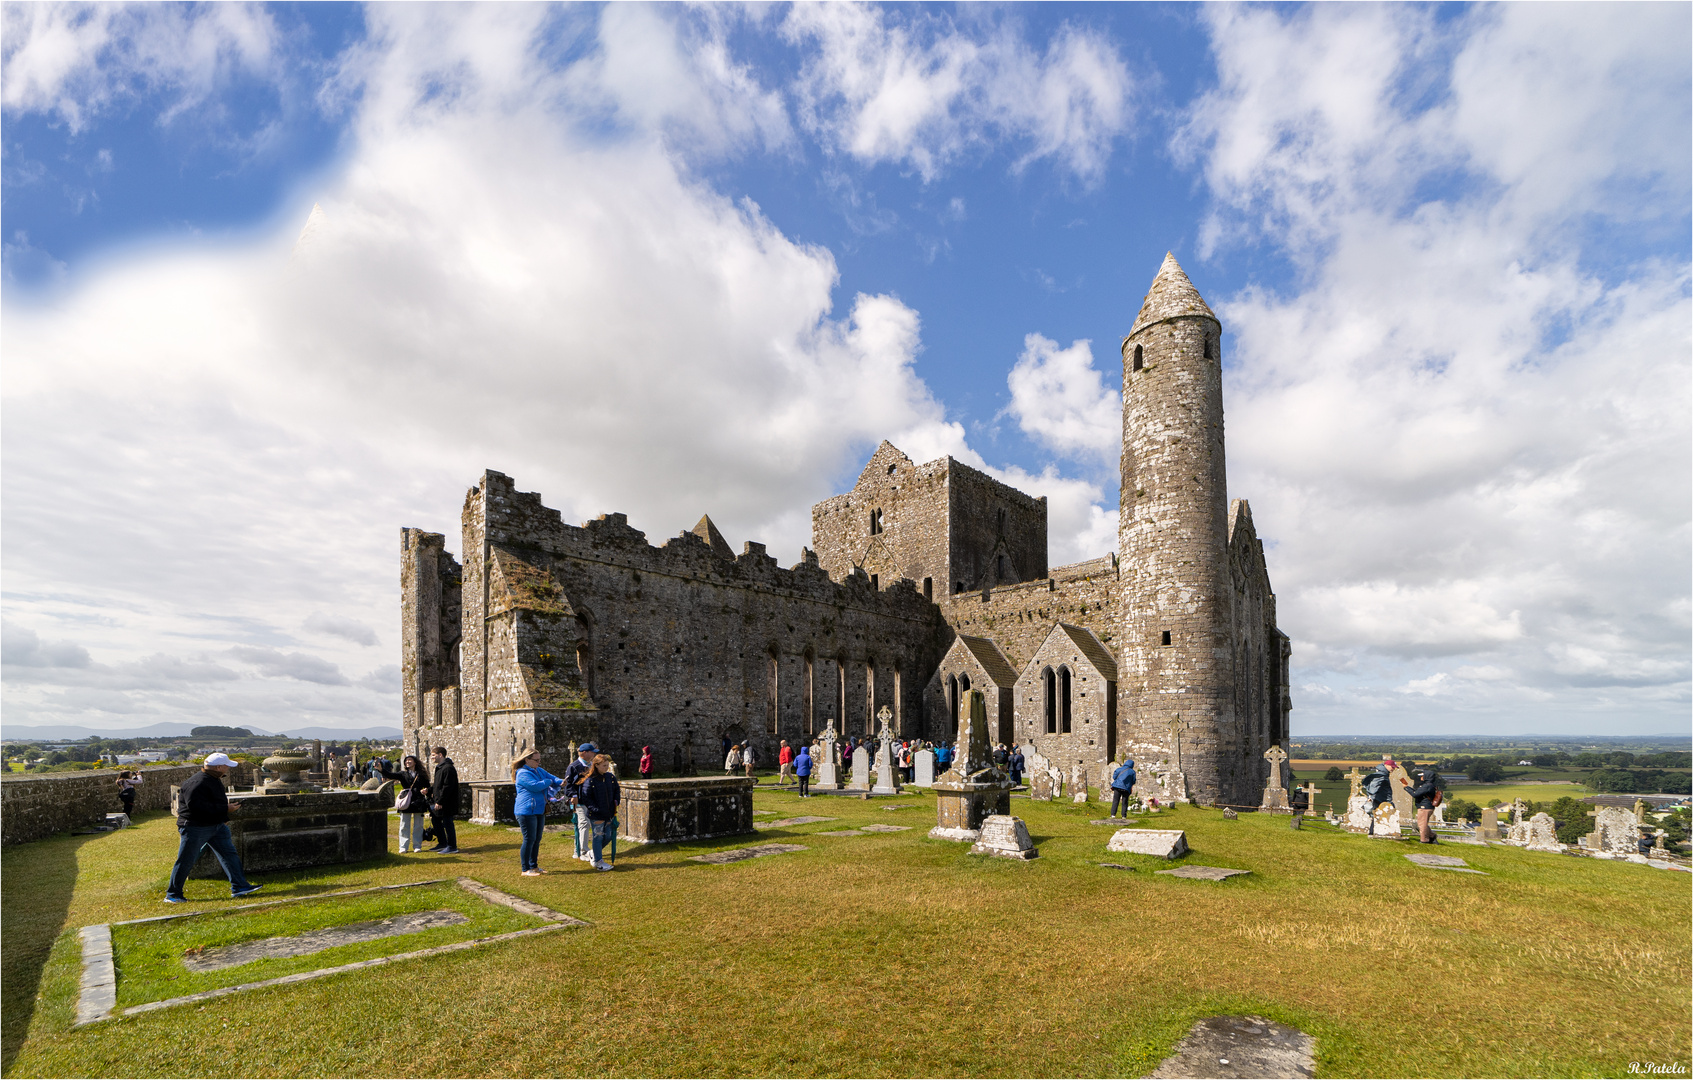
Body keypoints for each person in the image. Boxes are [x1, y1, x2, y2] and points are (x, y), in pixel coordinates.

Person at [165, 753, 260, 903]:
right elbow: (196, 807)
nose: (228, 768)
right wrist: (225, 809)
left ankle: (240, 886)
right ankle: (173, 894)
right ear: (219, 767)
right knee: (186, 859)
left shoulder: (212, 779)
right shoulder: (197, 782)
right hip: (195, 827)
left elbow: (213, 801)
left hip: (215, 826)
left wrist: (223, 818)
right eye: (226, 766)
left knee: (229, 854)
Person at [513, 750, 563, 876]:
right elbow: (536, 786)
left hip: (539, 809)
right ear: (527, 760)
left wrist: (560, 781)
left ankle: (534, 866)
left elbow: (552, 777)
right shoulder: (522, 773)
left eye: (539, 760)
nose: (538, 762)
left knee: (536, 839)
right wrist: (550, 782)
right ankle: (525, 869)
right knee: (529, 839)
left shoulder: (539, 770)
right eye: (536, 760)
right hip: (526, 810)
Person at [379, 755, 432, 853]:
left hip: (418, 801)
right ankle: (403, 846)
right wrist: (381, 770)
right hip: (406, 801)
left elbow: (428, 786)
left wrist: (426, 790)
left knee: (418, 825)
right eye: (406, 761)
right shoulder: (402, 774)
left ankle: (417, 846)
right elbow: (391, 775)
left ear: (415, 762)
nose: (408, 762)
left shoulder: (422, 774)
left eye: (410, 760)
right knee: (404, 824)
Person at [578, 753, 621, 870]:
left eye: (607, 765)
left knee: (608, 836)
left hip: (609, 814)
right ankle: (598, 861)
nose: (606, 768)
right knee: (598, 836)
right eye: (603, 766)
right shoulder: (590, 781)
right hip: (596, 815)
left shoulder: (610, 778)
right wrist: (596, 809)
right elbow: (586, 798)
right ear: (596, 766)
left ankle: (593, 853)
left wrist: (616, 800)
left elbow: (617, 790)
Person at [563, 742, 599, 863]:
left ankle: (578, 850)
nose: (594, 754)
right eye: (592, 752)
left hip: (591, 801)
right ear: (584, 753)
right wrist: (573, 795)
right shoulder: (574, 766)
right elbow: (568, 784)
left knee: (586, 825)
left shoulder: (592, 765)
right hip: (579, 801)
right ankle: (582, 851)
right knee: (583, 824)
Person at [427, 746, 460, 853]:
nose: (431, 757)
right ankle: (442, 843)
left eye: (433, 755)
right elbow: (438, 785)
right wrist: (429, 790)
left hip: (447, 803)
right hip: (440, 801)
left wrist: (440, 801)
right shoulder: (440, 768)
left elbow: (447, 787)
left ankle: (452, 846)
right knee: (436, 821)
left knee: (448, 824)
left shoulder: (448, 768)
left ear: (440, 755)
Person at [1402, 765, 1440, 843]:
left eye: (1422, 776)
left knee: (1422, 824)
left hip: (1424, 807)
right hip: (1427, 806)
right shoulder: (1429, 785)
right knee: (1423, 823)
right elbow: (1417, 792)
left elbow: (1415, 794)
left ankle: (1424, 840)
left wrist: (1406, 787)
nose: (1421, 777)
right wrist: (1408, 787)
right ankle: (1431, 836)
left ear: (1427, 777)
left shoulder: (1426, 786)